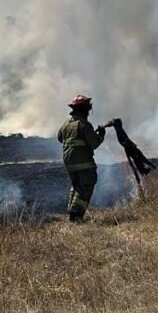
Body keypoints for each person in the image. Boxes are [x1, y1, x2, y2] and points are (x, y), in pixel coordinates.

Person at [57, 94, 105, 222]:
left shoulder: (66, 123)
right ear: (83, 109)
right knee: (86, 185)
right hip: (83, 162)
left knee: (76, 185)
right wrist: (101, 135)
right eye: (87, 109)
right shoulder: (84, 124)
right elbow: (94, 143)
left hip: (69, 162)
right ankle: (76, 215)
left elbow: (60, 138)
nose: (88, 112)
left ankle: (71, 212)